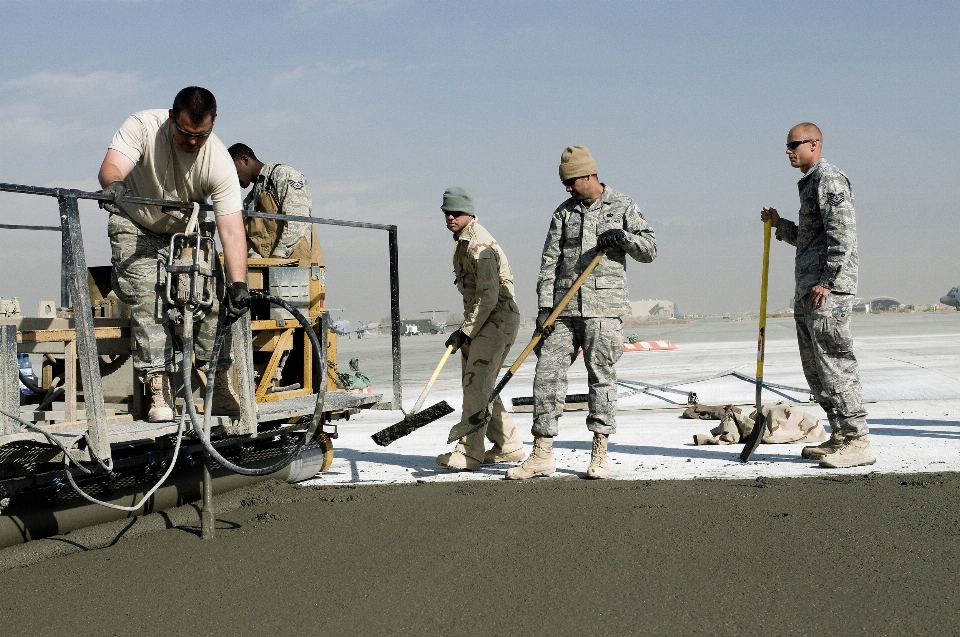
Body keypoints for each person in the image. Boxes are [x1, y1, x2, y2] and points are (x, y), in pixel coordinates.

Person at [97, 86, 250, 423]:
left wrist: (240, 283)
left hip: (185, 231)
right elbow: (111, 167)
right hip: (135, 223)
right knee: (150, 298)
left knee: (213, 296)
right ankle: (158, 386)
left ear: (213, 124)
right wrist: (115, 187)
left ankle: (218, 381)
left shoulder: (219, 161)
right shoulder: (142, 126)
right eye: (185, 133)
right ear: (171, 118)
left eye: (202, 134)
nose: (193, 142)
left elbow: (232, 229)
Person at [507, 146, 657, 480]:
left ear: (589, 175)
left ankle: (600, 452)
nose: (568, 188)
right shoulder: (563, 213)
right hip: (562, 310)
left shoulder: (622, 205)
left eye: (572, 181)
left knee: (600, 376)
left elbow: (650, 250)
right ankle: (542, 453)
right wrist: (545, 308)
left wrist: (623, 238)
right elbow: (549, 261)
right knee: (546, 374)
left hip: (604, 309)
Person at [761, 122, 874, 468]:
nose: (788, 151)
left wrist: (827, 281)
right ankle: (840, 434)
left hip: (828, 293)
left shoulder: (829, 180)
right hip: (809, 292)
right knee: (816, 369)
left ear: (814, 144)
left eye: (794, 144)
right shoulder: (810, 184)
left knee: (835, 364)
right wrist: (781, 225)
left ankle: (858, 440)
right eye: (787, 145)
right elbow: (811, 240)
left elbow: (843, 237)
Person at [436, 187, 525, 471]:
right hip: (480, 322)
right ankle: (508, 445)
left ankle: (469, 452)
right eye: (446, 213)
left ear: (469, 213)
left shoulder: (479, 246)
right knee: (480, 385)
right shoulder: (461, 242)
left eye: (456, 213)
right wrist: (465, 330)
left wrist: (466, 331)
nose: (450, 217)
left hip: (497, 320)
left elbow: (488, 296)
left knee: (476, 385)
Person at [228, 143, 319, 263]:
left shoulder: (284, 175)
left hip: (295, 266)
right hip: (269, 268)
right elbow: (248, 238)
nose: (232, 178)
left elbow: (297, 220)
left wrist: (277, 258)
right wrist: (259, 263)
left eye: (233, 171)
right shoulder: (250, 199)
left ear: (245, 160)